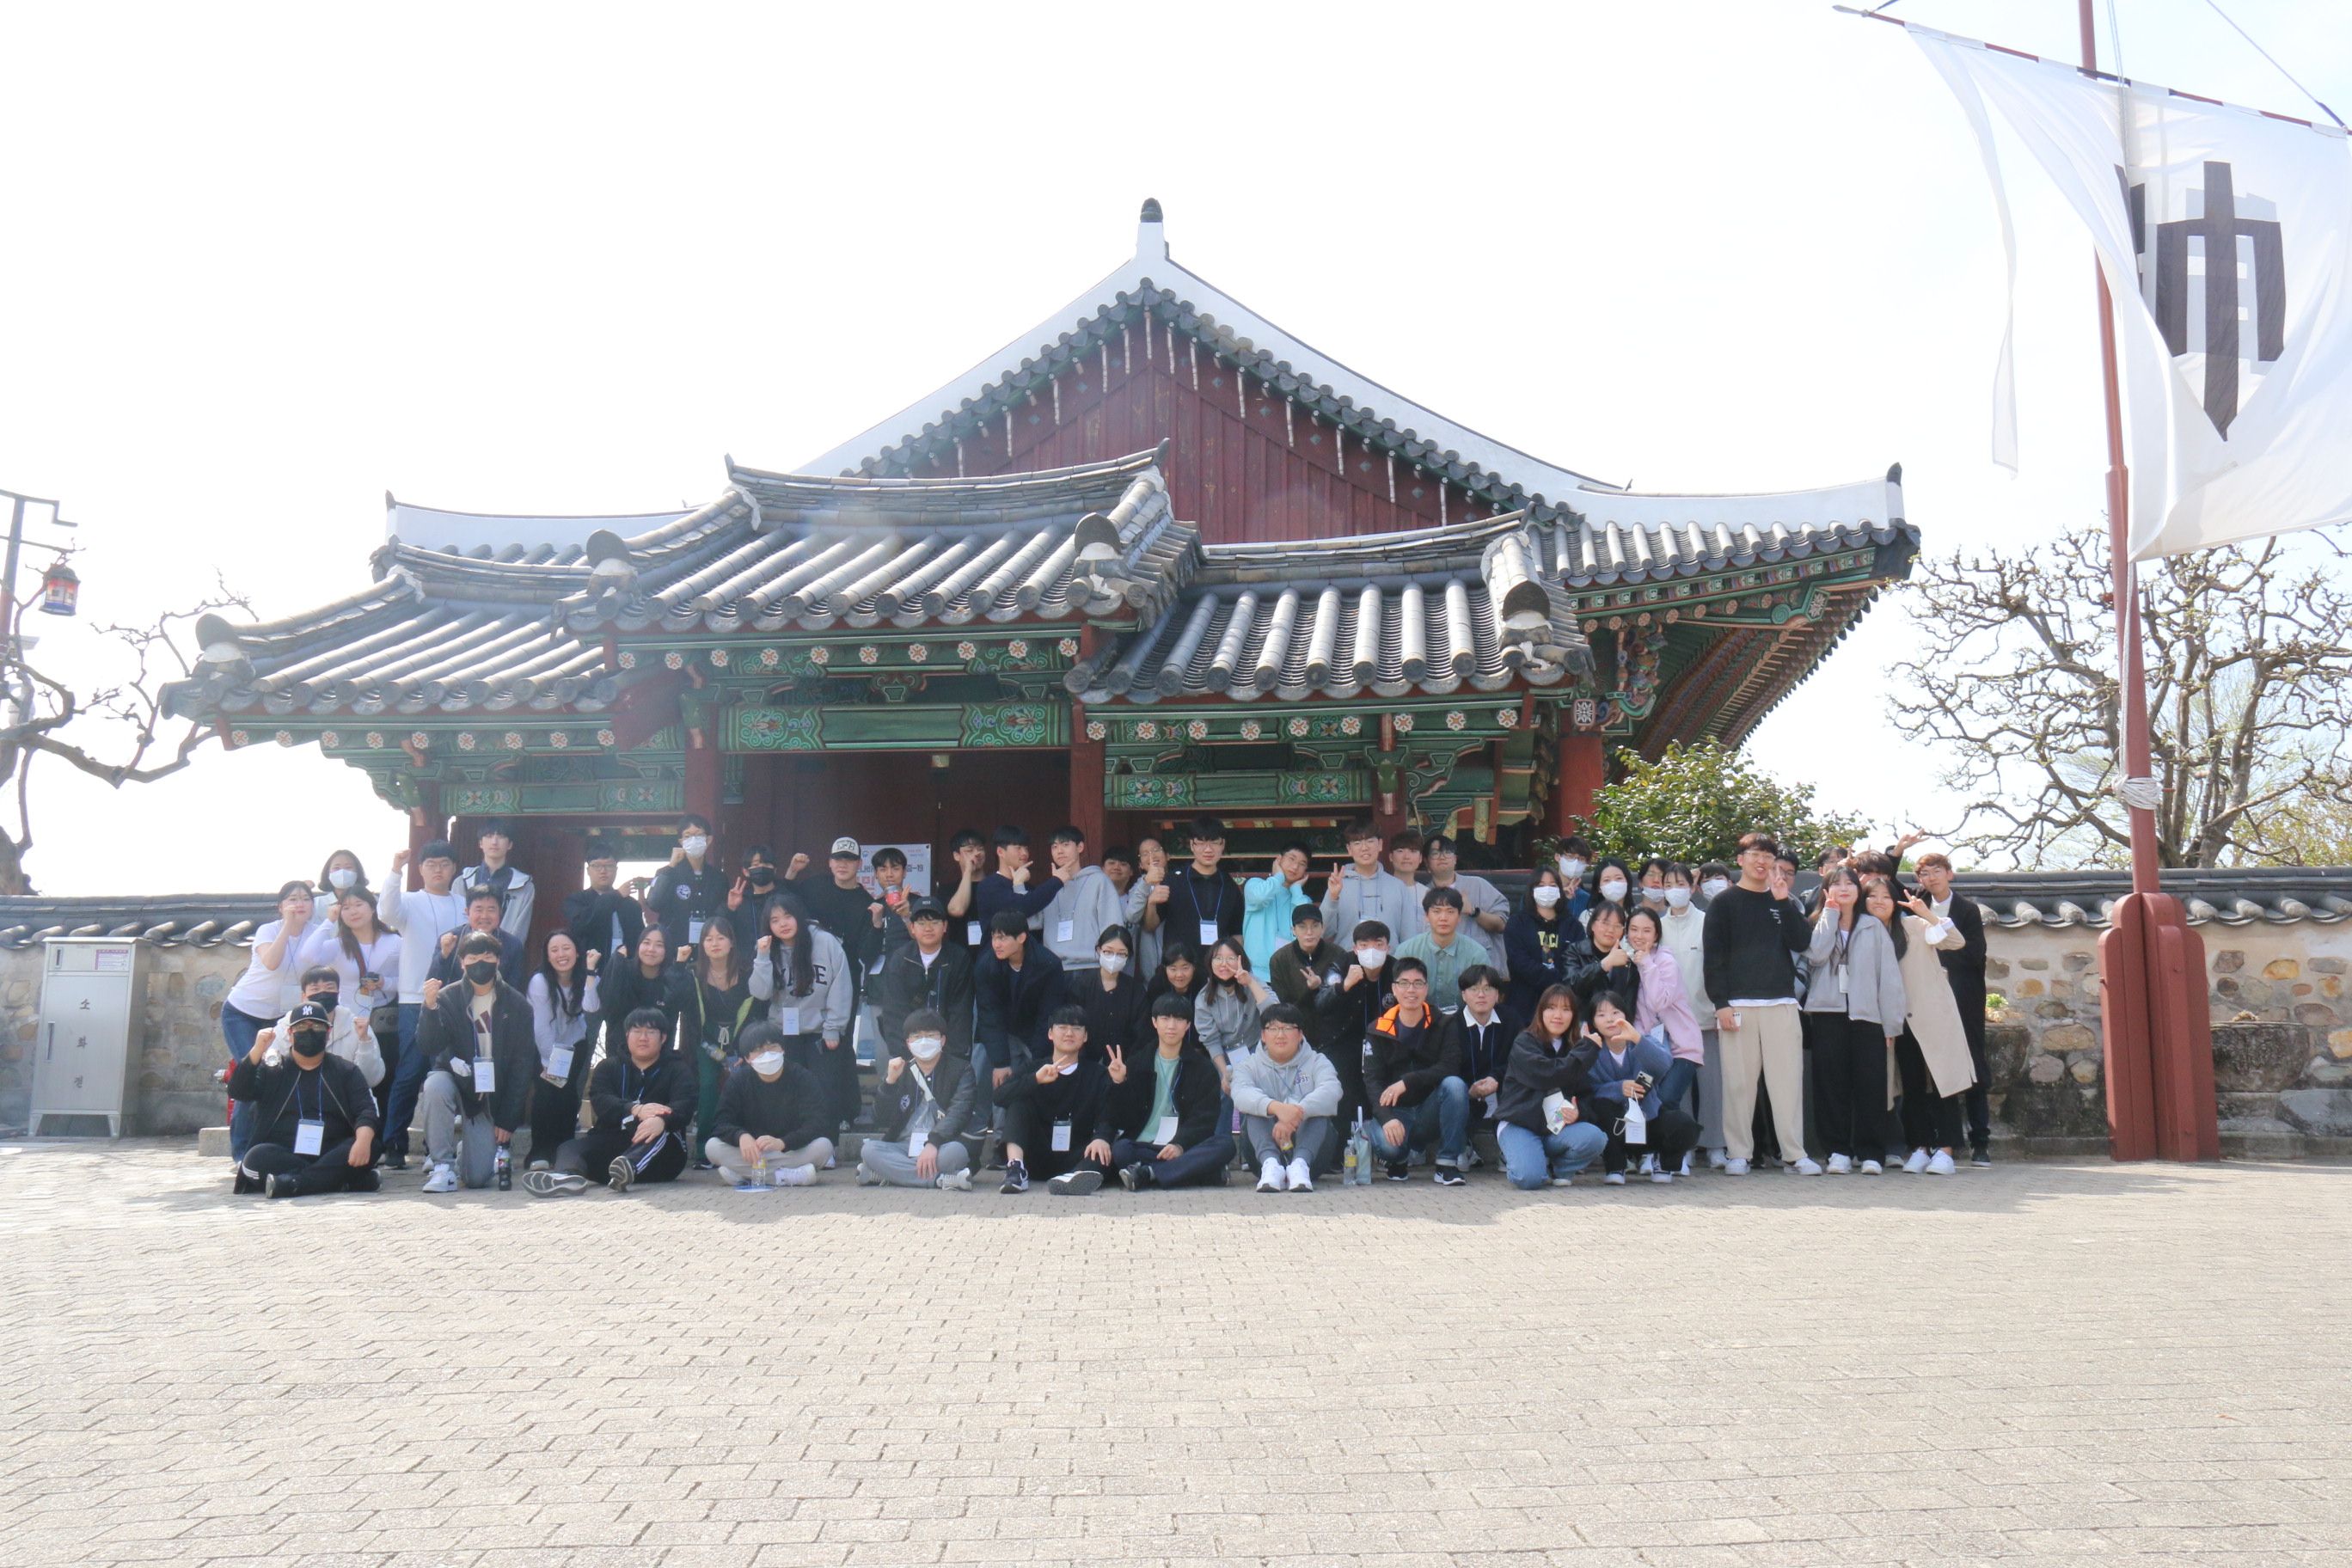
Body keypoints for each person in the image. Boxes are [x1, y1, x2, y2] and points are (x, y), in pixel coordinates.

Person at [1701, 832, 1818, 1177]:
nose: (1762, 861)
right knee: (1738, 1084)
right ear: (1740, 860)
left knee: (1787, 1083)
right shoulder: (1723, 903)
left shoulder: (1783, 901)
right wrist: (1720, 1003)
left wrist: (1782, 902)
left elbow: (1802, 942)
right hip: (1738, 1004)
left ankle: (1794, 1154)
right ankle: (1739, 1153)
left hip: (1781, 1003)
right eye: (1755, 854)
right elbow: (1713, 958)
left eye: (1768, 856)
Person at [414, 930, 537, 1192]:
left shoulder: (517, 1005)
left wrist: (507, 1119)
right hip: (454, 1079)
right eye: (472, 957)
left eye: (487, 956)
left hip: (487, 1096)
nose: (480, 963)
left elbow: (522, 1066)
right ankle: (442, 1166)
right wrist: (430, 1007)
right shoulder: (447, 997)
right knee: (434, 1086)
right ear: (462, 963)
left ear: (498, 961)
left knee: (477, 1179)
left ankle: (468, 1152)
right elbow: (429, 1046)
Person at [1802, 866, 1905, 1174]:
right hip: (1827, 1014)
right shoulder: (1818, 923)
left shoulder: (1873, 926)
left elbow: (1888, 977)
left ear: (1858, 891)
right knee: (1830, 1086)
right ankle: (1837, 1152)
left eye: (1850, 883)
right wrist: (1830, 915)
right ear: (1826, 891)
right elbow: (1816, 956)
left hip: (1868, 1016)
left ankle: (1871, 1152)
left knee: (1871, 1086)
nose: (1844, 888)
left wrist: (1891, 1023)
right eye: (1836, 884)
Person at [528, 1008, 694, 1194]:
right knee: (570, 1147)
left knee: (654, 1128)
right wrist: (634, 1109)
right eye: (637, 1031)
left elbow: (685, 1104)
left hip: (662, 1159)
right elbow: (601, 1101)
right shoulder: (608, 1067)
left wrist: (662, 1120)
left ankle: (629, 1166)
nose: (643, 1038)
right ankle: (566, 1178)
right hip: (613, 1146)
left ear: (663, 1038)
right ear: (627, 1035)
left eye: (650, 1032)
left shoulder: (678, 1069)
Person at [228, 1001, 383, 1198]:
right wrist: (257, 1051)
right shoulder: (273, 1069)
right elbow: (239, 1091)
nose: (309, 1031)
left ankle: (293, 1184)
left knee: (372, 1145)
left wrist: (362, 1141)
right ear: (290, 1034)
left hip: (332, 1150)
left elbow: (366, 1111)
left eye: (317, 1026)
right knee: (255, 1159)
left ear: (328, 1033)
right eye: (301, 1027)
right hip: (284, 1152)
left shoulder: (345, 1070)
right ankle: (343, 1181)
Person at [377, 841, 469, 1171]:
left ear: (454, 868)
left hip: (455, 1001)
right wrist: (395, 870)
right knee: (409, 1072)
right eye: (431, 864)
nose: (438, 869)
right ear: (421, 869)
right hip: (415, 1000)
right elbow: (385, 913)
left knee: (443, 1074)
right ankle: (394, 1144)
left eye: (444, 863)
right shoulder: (409, 901)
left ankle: (436, 1147)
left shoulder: (464, 904)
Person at [220, 880, 323, 1161]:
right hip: (243, 1013)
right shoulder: (268, 930)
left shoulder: (317, 933)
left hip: (282, 1017)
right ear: (280, 906)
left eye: (305, 899)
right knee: (252, 1075)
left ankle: (275, 1144)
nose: (299, 904)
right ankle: (242, 1154)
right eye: (292, 899)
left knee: (281, 1078)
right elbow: (272, 962)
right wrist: (287, 927)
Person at [1882, 877, 1974, 1176]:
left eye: (1885, 896)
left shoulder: (1914, 925)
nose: (1878, 902)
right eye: (1872, 896)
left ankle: (1946, 1150)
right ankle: (1920, 1147)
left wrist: (1928, 915)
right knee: (1911, 1086)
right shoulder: (1869, 932)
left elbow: (1955, 942)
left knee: (1944, 1083)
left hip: (1932, 1015)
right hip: (1899, 1020)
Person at [748, 891, 859, 1137]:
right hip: (784, 1032)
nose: (783, 924)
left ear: (798, 915)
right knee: (788, 1090)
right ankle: (791, 1142)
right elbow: (761, 993)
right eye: (775, 920)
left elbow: (841, 985)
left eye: (787, 916)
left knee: (824, 1089)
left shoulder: (825, 941)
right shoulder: (768, 948)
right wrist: (762, 957)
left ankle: (826, 1145)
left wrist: (834, 1026)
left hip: (822, 1031)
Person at [1100, 992, 1232, 1191]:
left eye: (1179, 1020)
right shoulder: (1137, 1063)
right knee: (1121, 1150)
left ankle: (1148, 1173)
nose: (1172, 1026)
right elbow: (1122, 1118)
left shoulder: (1202, 1068)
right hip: (1145, 1145)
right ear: (1155, 1022)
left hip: (1185, 1146)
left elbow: (1205, 1119)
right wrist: (1120, 1083)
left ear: (1188, 1025)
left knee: (1225, 1145)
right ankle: (1200, 1172)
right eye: (1165, 1019)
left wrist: (1180, 1144)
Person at [1362, 955, 1471, 1184]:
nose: (1411, 990)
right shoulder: (1377, 1029)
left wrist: (1407, 1081)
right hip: (1396, 1111)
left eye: (1418, 983)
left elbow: (1450, 1065)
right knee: (1390, 1148)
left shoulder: (1444, 1022)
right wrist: (1387, 1118)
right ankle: (1399, 1160)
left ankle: (1447, 1165)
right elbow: (1372, 1080)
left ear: (1426, 988)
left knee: (1455, 1085)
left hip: (1428, 1109)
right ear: (1394, 989)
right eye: (1404, 983)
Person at [1576, 993, 1702, 1185]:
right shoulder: (1591, 1050)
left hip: (1649, 1119)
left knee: (1684, 1125)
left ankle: (1664, 1162)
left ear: (1626, 1015)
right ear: (1593, 1021)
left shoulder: (1644, 1040)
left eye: (1615, 1012)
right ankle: (1616, 1166)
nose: (1609, 1019)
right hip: (1615, 1125)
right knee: (1601, 1106)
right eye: (1601, 1015)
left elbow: (1664, 1064)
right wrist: (1618, 1088)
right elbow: (1589, 1090)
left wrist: (1636, 1038)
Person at [1916, 852, 1993, 1166]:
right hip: (1925, 997)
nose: (1931, 878)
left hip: (1963, 996)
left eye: (1937, 871)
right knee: (1930, 1068)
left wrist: (1942, 959)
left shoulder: (1967, 909)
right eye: (1924, 873)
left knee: (1972, 1064)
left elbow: (1975, 953)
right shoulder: (1916, 904)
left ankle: (1980, 1141)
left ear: (1950, 873)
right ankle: (1936, 1139)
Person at [1494, 984, 1608, 1189]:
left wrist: (1578, 1113)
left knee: (1595, 1137)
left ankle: (1560, 1169)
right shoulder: (1525, 1041)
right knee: (1529, 1179)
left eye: (1566, 1009)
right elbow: (1549, 1074)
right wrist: (1587, 1049)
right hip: (1520, 1124)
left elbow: (1586, 1094)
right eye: (1551, 1008)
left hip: (1555, 1128)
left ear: (1574, 1015)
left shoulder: (1575, 1048)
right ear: (1541, 1012)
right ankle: (1521, 1158)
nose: (1558, 1015)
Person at [303, 885, 401, 1120]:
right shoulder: (337, 945)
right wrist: (328, 922)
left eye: (359, 905)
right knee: (351, 1078)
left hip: (384, 1020)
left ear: (373, 908)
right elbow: (307, 956)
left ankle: (383, 1135)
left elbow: (409, 980)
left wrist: (385, 983)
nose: (353, 911)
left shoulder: (395, 941)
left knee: (385, 1079)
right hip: (348, 1021)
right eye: (346, 907)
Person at [993, 1005, 1112, 1195]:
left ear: (1085, 1036)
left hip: (1075, 1155)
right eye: (1062, 1027)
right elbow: (999, 1097)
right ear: (1050, 1034)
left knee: (1104, 1149)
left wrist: (1101, 1138)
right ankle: (1015, 1170)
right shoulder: (1033, 1069)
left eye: (1076, 1028)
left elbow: (1107, 1114)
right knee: (1018, 1102)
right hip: (1036, 1155)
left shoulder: (1098, 1074)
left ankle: (1075, 1179)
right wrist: (1035, 1080)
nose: (1069, 1033)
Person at [1654, 860, 1724, 1168]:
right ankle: (1682, 1147)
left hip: (1706, 1017)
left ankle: (1716, 1145)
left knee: (1713, 1088)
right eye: (1668, 885)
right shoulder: (1658, 926)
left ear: (1693, 887)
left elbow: (1720, 967)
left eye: (1681, 884)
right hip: (1671, 1024)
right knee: (1677, 1090)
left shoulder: (1709, 922)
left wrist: (1719, 1008)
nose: (1675, 890)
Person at [706, 1020, 835, 1185]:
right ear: (747, 1058)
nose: (767, 1054)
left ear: (782, 1050)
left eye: (772, 1047)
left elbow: (816, 1123)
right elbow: (721, 1123)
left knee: (824, 1147)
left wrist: (783, 1142)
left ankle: (747, 1176)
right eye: (758, 1050)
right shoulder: (738, 1082)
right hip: (752, 1152)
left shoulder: (802, 1078)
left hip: (789, 1151)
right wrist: (741, 1136)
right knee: (712, 1147)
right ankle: (787, 1177)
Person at [1624, 907, 1704, 1173]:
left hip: (1682, 1048)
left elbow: (1661, 1002)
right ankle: (1648, 1154)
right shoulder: (1627, 962)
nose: (1639, 936)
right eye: (1634, 930)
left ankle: (1670, 1159)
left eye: (1646, 930)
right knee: (1646, 1100)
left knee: (1667, 1100)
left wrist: (1647, 963)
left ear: (1656, 934)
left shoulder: (1665, 961)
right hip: (1650, 1051)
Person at [861, 1008, 977, 1190]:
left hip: (942, 1145)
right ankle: (939, 1180)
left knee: (957, 1152)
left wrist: (933, 1143)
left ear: (942, 1040)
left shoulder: (961, 1069)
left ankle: (888, 1176)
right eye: (917, 1036)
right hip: (903, 1147)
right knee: (869, 1150)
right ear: (909, 1043)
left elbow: (959, 1112)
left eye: (930, 1036)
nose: (924, 1041)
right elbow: (881, 1119)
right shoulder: (900, 1070)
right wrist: (889, 1083)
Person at [1230, 1002, 1341, 1191]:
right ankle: (1271, 1164)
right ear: (1263, 1035)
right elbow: (1240, 1093)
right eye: (1273, 1028)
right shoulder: (1249, 1065)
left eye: (1288, 1028)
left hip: (1313, 1160)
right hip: (1261, 1159)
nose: (1280, 1035)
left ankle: (1300, 1165)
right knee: (1255, 1109)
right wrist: (1276, 1108)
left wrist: (1296, 1114)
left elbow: (1332, 1090)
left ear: (1300, 1034)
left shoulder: (1317, 1061)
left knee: (1319, 1110)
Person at [675, 916, 755, 1160]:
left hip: (740, 1039)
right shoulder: (693, 973)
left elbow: (756, 1010)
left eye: (721, 937)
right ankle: (704, 1150)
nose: (715, 943)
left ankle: (745, 1146)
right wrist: (678, 966)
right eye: (709, 939)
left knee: (744, 1086)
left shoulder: (747, 971)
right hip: (706, 1040)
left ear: (731, 942)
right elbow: (678, 1001)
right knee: (708, 1086)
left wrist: (745, 1048)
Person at [525, 931, 600, 1170]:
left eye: (566, 948)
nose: (561, 955)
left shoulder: (586, 976)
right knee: (546, 1094)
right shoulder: (540, 981)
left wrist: (590, 972)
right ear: (547, 956)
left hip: (575, 1043)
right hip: (544, 1046)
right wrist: (549, 1063)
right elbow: (541, 1026)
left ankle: (563, 1151)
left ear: (577, 952)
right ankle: (539, 1151)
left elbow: (591, 1007)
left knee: (567, 1096)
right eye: (554, 950)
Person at [874, 897, 975, 1063]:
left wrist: (952, 1057)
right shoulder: (900, 959)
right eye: (921, 923)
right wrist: (904, 1056)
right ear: (912, 928)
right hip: (909, 1050)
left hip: (948, 1050)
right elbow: (894, 1011)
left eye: (935, 922)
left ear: (945, 926)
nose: (928, 928)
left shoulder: (959, 958)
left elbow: (961, 1012)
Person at [976, 908, 1067, 1088]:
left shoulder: (1048, 965)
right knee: (1002, 1086)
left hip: (1036, 1033)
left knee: (1038, 1087)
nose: (996, 944)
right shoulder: (985, 966)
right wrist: (1000, 1063)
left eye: (1002, 938)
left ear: (1021, 938)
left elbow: (1048, 1015)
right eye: (994, 937)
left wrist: (1039, 1061)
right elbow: (989, 1015)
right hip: (1004, 1033)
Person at [1314, 919, 1392, 1121]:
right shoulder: (1341, 965)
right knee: (1340, 1087)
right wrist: (1344, 986)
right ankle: (1343, 1133)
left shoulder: (1397, 969)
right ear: (1355, 949)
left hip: (1385, 1041)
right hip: (1343, 1038)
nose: (1372, 951)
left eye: (1378, 944)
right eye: (1364, 945)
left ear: (1388, 948)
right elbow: (1321, 1004)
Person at [273, 964, 384, 1087]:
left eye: (329, 987)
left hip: (345, 1094)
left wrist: (365, 1042)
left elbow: (370, 1080)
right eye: (315, 989)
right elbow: (273, 1075)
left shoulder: (357, 1027)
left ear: (338, 992)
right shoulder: (284, 1028)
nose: (323, 993)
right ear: (304, 996)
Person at [1320, 818, 1423, 950]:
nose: (1365, 848)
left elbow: (1409, 937)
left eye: (1370, 841)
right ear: (1349, 849)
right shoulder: (1338, 886)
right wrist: (1332, 898)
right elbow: (1323, 932)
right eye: (1357, 843)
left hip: (1389, 960)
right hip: (1348, 959)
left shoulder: (1397, 886)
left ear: (1380, 844)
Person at [1149, 816, 1246, 954]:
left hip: (1217, 964)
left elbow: (1236, 933)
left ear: (1223, 844)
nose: (1208, 849)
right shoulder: (1173, 880)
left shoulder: (1230, 886)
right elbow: (1150, 925)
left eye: (1214, 843)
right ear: (1192, 845)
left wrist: (1235, 961)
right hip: (1180, 964)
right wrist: (1151, 903)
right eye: (1201, 843)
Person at [1037, 825, 1124, 979]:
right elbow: (1032, 922)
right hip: (1054, 969)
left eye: (1065, 844)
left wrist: (1110, 968)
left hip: (1091, 967)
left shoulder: (1099, 881)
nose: (1059, 851)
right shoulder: (1049, 888)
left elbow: (1112, 927)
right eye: (1054, 846)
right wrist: (1018, 886)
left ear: (1080, 847)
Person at [1423, 834, 1510, 975]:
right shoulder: (1423, 894)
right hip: (1441, 972)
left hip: (1482, 973)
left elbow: (1501, 925)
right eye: (1435, 853)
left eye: (1447, 852)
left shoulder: (1478, 885)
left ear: (1455, 859)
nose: (1442, 857)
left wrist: (1474, 912)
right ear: (1426, 862)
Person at [1453, 965, 1517, 1155]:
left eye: (1488, 989)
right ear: (1464, 995)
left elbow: (1520, 1060)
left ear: (1497, 994)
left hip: (1502, 1090)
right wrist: (1469, 1089)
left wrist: (1495, 1077)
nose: (1481, 995)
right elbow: (1446, 1066)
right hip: (1465, 1093)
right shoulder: (1451, 1024)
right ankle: (1460, 1146)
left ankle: (1509, 1149)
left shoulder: (1511, 1019)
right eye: (1474, 989)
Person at [1193, 935, 1271, 1087]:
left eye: (1231, 958)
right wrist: (1225, 1074)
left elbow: (1274, 1013)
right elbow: (1211, 1040)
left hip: (1258, 1049)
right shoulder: (1203, 998)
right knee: (1226, 1090)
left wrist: (1250, 983)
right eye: (1218, 958)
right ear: (1210, 962)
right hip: (1224, 1056)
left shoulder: (1253, 982)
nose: (1224, 964)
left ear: (1241, 960)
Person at [1267, 903, 1345, 1054]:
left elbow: (1342, 1000)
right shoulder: (1280, 959)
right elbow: (1284, 1006)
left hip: (1334, 1033)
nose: (1309, 932)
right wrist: (1311, 991)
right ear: (1293, 930)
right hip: (1296, 1032)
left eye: (1315, 926)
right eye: (1302, 927)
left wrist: (1321, 988)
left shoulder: (1338, 954)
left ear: (1323, 928)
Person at [1066, 924, 1149, 1065]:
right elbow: (1072, 1027)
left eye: (1121, 954)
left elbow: (1142, 1035)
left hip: (1125, 1065)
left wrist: (1128, 1065)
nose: (1114, 958)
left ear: (1128, 956)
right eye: (1108, 951)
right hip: (1084, 1065)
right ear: (1099, 950)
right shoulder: (1081, 986)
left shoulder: (1136, 991)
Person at [564, 840, 643, 981]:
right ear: (588, 870)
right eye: (596, 866)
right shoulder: (577, 900)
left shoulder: (631, 905)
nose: (603, 871)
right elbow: (580, 925)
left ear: (616, 870)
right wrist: (615, 896)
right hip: (588, 973)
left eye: (609, 866)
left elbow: (639, 941)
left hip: (626, 973)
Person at [646, 814, 727, 950]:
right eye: (688, 836)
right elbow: (654, 904)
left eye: (699, 835)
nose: (693, 840)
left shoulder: (718, 877)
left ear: (708, 840)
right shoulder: (668, 873)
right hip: (674, 947)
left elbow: (721, 917)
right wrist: (671, 866)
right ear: (681, 842)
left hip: (707, 948)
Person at [597, 922, 679, 1057]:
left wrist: (680, 967)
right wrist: (617, 962)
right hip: (619, 1054)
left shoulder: (671, 980)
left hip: (659, 1057)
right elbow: (608, 1007)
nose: (651, 949)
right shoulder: (623, 969)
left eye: (659, 945)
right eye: (646, 943)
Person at [1504, 865, 1574, 1022]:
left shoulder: (1572, 925)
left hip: (1562, 1004)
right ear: (1532, 890)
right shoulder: (1517, 923)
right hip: (1523, 1005)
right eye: (1541, 885)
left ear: (1560, 891)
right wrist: (1553, 978)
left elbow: (1575, 963)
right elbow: (1519, 961)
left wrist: (1560, 981)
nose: (1547, 890)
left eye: (1553, 885)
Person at [1394, 885, 1479, 1013]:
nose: (1443, 918)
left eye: (1450, 912)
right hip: (1417, 1018)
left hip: (1463, 1019)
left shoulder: (1476, 953)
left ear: (1459, 917)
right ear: (1427, 916)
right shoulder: (1406, 951)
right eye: (1437, 911)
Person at [426, 887, 526, 989]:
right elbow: (432, 983)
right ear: (467, 912)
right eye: (479, 910)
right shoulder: (452, 939)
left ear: (500, 912)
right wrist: (444, 954)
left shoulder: (513, 944)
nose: (484, 916)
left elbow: (515, 987)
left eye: (491, 910)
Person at [1242, 841, 1314, 979]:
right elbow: (1259, 897)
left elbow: (1307, 925)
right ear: (1279, 859)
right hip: (1256, 974)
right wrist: (1278, 877)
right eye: (1291, 859)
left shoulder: (1301, 899)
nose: (1295, 867)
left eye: (1302, 864)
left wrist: (1296, 889)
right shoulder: (1255, 884)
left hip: (1288, 975)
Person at [454, 818, 535, 940]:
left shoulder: (524, 886)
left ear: (510, 844)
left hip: (506, 949)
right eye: (489, 836)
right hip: (467, 949)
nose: (494, 842)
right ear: (481, 843)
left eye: (501, 836)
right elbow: (458, 922)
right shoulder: (462, 882)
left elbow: (520, 930)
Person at [1566, 902, 1641, 1020]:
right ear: (1592, 925)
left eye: (1618, 926)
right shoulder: (1575, 951)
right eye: (1605, 923)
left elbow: (1628, 1010)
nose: (1611, 930)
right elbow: (1572, 986)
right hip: (1580, 1024)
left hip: (1615, 1027)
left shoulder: (1628, 965)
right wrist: (1604, 965)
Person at [940, 827, 992, 954]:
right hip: (960, 955)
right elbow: (957, 910)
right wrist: (968, 871)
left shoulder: (994, 886)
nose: (977, 853)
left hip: (992, 953)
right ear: (956, 856)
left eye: (980, 849)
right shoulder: (948, 889)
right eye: (970, 850)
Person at [1547, 835, 1596, 925]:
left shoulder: (1588, 900)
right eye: (1570, 856)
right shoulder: (1542, 893)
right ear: (1557, 857)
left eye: (1581, 859)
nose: (1576, 862)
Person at [1589, 857, 1635, 929]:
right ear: (1599, 888)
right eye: (1607, 880)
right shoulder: (1588, 916)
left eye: (1619, 878)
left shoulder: (1637, 915)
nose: (1613, 883)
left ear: (1627, 882)